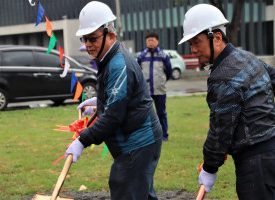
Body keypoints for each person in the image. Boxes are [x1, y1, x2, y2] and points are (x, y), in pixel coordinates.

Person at [65, 1, 163, 200]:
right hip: (136, 138)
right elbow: (120, 98)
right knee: (141, 193)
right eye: (85, 39)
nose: (88, 44)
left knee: (125, 188)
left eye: (93, 38)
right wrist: (98, 102)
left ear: (110, 35)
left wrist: (82, 140)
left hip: (138, 141)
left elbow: (114, 116)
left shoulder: (118, 64)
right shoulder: (109, 58)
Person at [178, 4, 275, 199]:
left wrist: (209, 167)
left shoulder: (222, 76)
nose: (194, 50)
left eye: (197, 42)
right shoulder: (247, 57)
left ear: (217, 37)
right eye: (191, 44)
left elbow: (220, 132)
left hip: (255, 163)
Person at [137, 31, 172, 141]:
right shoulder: (141, 56)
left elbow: (169, 71)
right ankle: (148, 136)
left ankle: (164, 135)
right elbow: (137, 72)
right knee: (145, 114)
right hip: (146, 91)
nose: (150, 42)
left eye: (152, 40)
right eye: (148, 40)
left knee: (161, 113)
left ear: (157, 41)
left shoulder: (163, 55)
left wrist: (161, 81)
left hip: (160, 90)